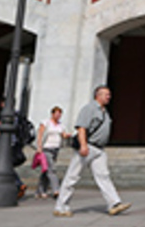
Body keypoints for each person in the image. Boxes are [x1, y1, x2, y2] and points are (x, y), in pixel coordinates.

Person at [53, 86, 131, 217]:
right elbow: (82, 128)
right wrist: (83, 145)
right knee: (72, 176)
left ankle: (114, 204)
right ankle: (61, 206)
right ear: (98, 96)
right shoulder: (89, 109)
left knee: (103, 176)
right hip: (88, 146)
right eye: (106, 94)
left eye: (109, 94)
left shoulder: (104, 111)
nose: (109, 97)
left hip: (99, 149)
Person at [34, 106, 67, 199]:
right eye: (56, 113)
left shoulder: (61, 125)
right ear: (52, 114)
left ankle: (40, 190)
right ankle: (56, 190)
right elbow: (40, 135)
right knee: (52, 169)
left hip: (55, 149)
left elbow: (63, 135)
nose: (58, 115)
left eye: (60, 114)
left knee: (46, 170)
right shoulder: (46, 123)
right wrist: (39, 147)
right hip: (46, 148)